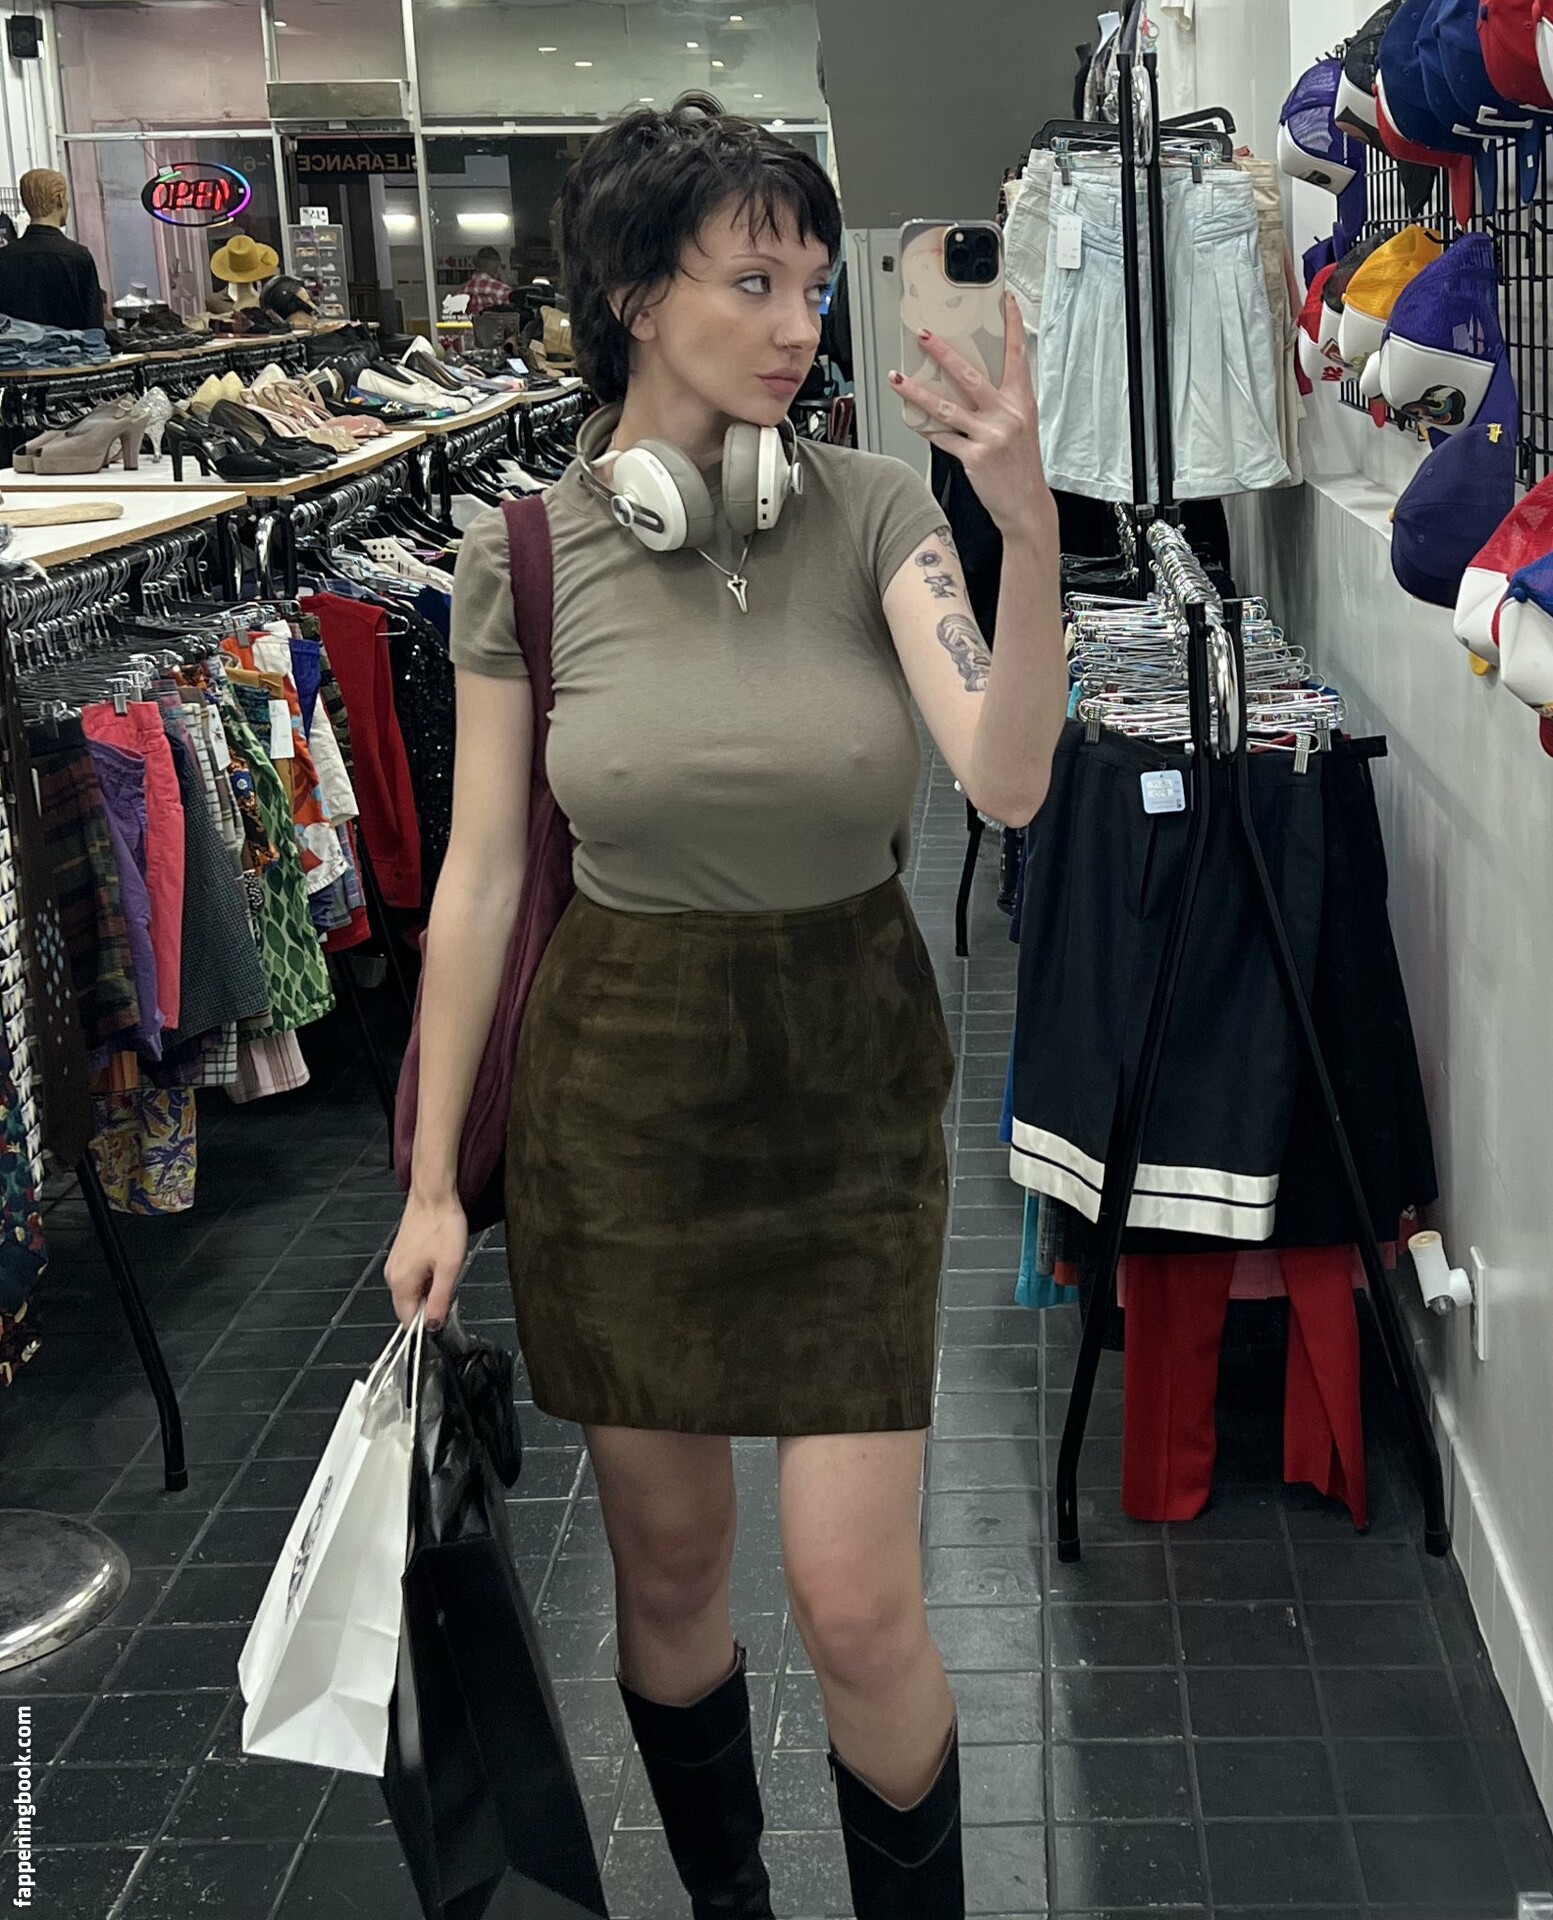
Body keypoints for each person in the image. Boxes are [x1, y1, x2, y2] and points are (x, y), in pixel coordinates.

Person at [386, 98, 1065, 1918]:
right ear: (630, 291)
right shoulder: (524, 555)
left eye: (811, 286)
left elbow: (1005, 778)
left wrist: (1024, 530)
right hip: (623, 1111)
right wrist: (436, 1181)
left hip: (848, 1097)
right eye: (751, 282)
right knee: (672, 1578)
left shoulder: (873, 513)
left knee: (857, 1601)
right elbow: (481, 881)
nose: (796, 325)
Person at [0, 169, 105, 332]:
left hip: (16, 347)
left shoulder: (4, 258)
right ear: (60, 199)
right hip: (72, 346)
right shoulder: (78, 257)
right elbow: (94, 327)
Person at [460, 244, 512, 316]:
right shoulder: (502, 290)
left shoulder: (463, 290)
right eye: (502, 266)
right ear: (496, 266)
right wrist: (503, 278)